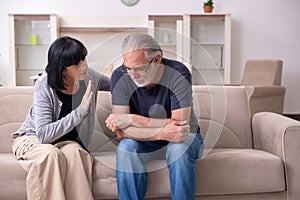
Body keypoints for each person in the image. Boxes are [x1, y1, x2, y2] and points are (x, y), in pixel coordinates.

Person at [105, 33, 203, 200]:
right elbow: (121, 132)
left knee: (178, 148)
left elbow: (180, 126)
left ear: (156, 59)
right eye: (128, 68)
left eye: (138, 68)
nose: (132, 75)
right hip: (145, 142)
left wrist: (132, 120)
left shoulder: (178, 72)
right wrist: (162, 133)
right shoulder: (120, 76)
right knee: (125, 148)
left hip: (186, 138)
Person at [11, 36, 110, 200]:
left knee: (76, 153)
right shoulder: (44, 85)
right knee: (50, 155)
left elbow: (116, 83)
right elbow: (43, 135)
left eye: (83, 59)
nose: (84, 65)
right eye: (77, 63)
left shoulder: (89, 75)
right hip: (33, 138)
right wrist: (80, 111)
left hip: (65, 142)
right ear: (62, 68)